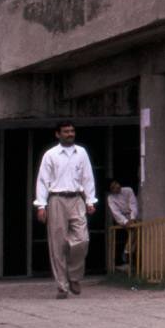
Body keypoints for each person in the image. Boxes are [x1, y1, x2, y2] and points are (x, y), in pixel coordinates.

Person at [34, 121, 97, 298]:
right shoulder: (50, 155)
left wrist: (90, 200)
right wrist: (41, 205)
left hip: (77, 198)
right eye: (66, 131)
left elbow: (87, 177)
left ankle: (74, 275)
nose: (70, 134)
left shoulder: (81, 153)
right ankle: (62, 285)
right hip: (56, 199)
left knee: (82, 239)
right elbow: (43, 180)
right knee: (58, 244)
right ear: (58, 134)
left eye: (72, 131)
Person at [106, 178, 139, 268]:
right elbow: (116, 213)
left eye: (116, 183)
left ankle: (127, 251)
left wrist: (132, 218)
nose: (117, 186)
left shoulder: (128, 190)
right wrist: (125, 221)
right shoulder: (111, 198)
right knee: (133, 231)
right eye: (113, 187)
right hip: (122, 219)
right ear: (111, 191)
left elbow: (133, 204)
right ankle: (127, 253)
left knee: (135, 231)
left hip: (133, 215)